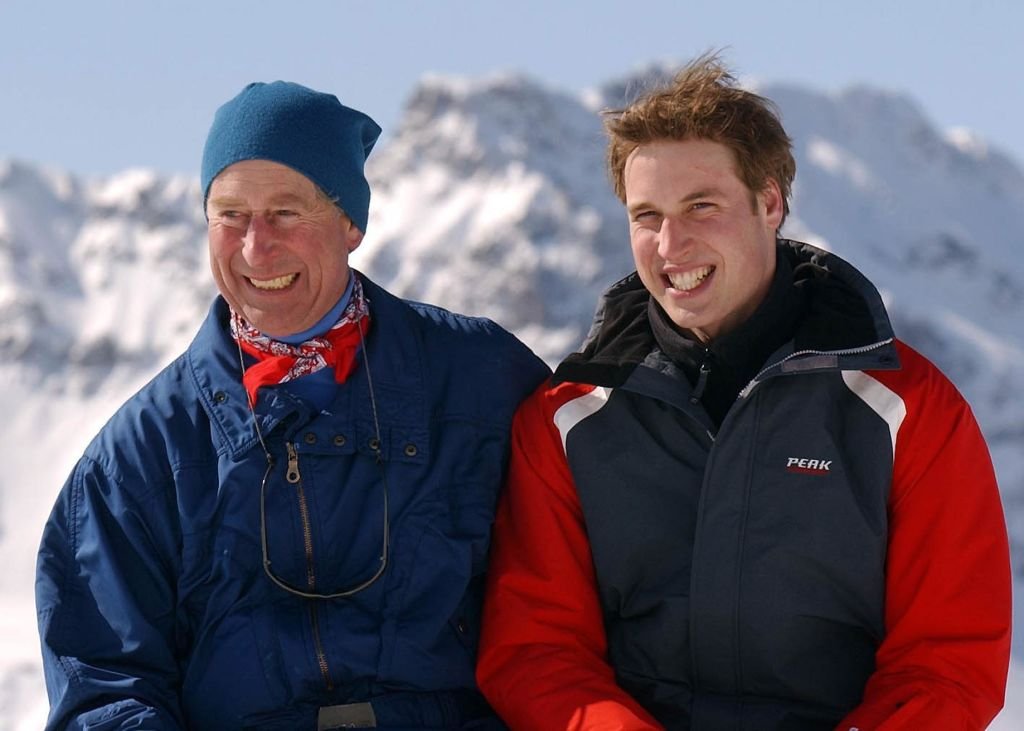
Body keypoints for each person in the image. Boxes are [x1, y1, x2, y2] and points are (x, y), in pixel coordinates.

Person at [476, 55, 1011, 730]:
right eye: (647, 215)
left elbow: (948, 659)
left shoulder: (908, 408)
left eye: (702, 205)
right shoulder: (568, 417)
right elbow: (538, 653)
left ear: (770, 203)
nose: (671, 244)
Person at [36, 80, 549, 730]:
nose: (255, 246)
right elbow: (104, 688)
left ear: (350, 223)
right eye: (230, 214)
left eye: (285, 212)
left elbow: (574, 607)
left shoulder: (481, 382)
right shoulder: (139, 457)